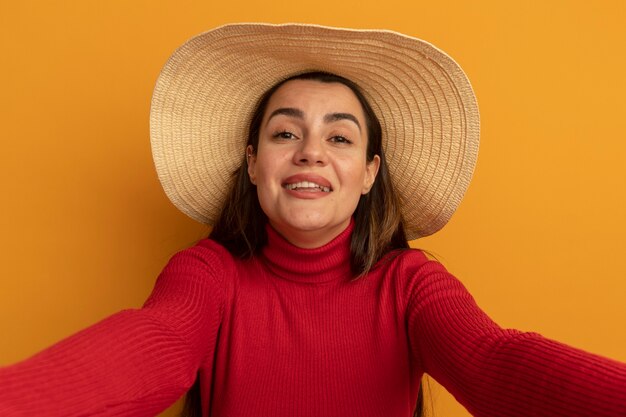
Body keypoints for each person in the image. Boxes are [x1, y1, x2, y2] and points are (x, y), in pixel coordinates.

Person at [1, 23, 625, 417]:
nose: (310, 152)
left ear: (371, 173)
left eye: (341, 137)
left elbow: (494, 363)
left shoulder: (410, 285)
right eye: (284, 132)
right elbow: (151, 347)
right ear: (253, 164)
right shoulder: (208, 274)